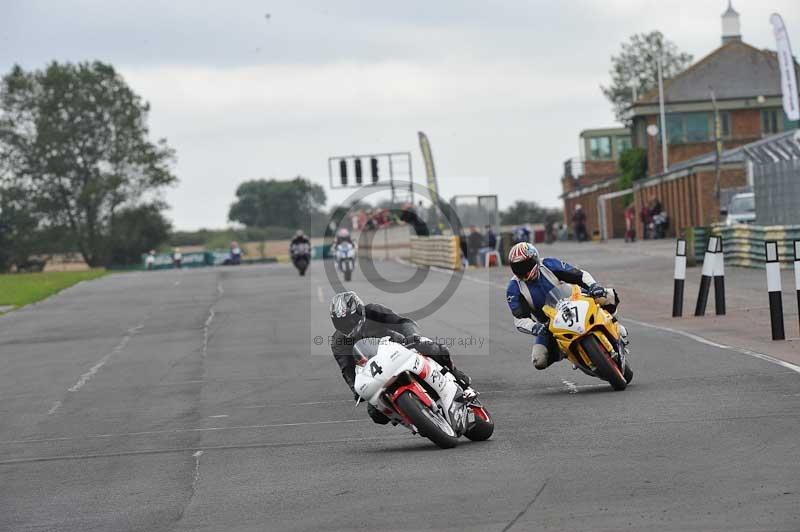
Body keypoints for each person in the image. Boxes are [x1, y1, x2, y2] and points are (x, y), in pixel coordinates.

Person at [330, 291, 472, 425]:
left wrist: (412, 336)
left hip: (398, 348)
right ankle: (412, 419)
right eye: (341, 323)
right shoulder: (338, 341)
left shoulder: (374, 311)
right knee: (375, 413)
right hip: (377, 370)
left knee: (433, 349)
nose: (348, 326)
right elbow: (347, 368)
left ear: (361, 311)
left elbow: (402, 322)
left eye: (351, 320)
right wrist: (356, 389)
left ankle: (454, 373)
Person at [505, 242, 628, 370]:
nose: (523, 270)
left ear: (534, 258)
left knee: (608, 295)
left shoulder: (548, 264)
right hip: (549, 325)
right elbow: (519, 319)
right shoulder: (514, 289)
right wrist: (535, 327)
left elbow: (580, 274)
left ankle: (615, 324)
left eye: (525, 265)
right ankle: (566, 352)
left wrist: (593, 286)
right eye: (518, 267)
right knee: (539, 360)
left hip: (576, 300)